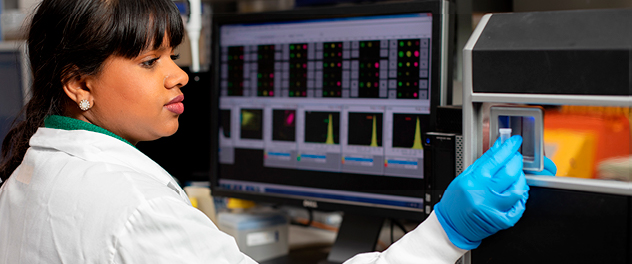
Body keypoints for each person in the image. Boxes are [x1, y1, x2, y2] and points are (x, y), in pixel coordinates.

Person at [0, 0, 556, 263]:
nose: (178, 74)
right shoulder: (135, 209)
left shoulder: (29, 171)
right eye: (149, 62)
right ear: (79, 85)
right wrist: (446, 233)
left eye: (174, 54)